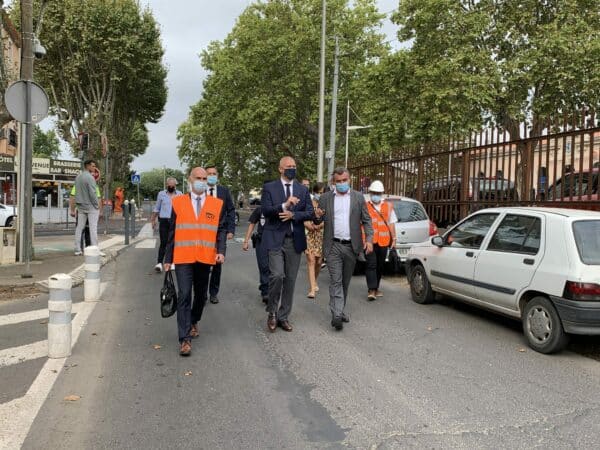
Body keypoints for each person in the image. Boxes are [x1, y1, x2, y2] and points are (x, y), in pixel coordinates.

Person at [163, 167, 227, 356]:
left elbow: (221, 230)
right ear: (190, 180)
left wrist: (221, 251)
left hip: (205, 257)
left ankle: (193, 320)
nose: (201, 181)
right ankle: (184, 339)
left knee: (201, 296)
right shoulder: (178, 202)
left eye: (204, 178)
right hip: (183, 257)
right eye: (198, 178)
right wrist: (168, 258)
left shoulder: (216, 204)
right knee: (184, 295)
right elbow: (171, 233)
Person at [315, 167, 373, 331]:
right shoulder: (325, 198)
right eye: (338, 181)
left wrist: (369, 239)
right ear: (333, 182)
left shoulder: (358, 197)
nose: (341, 184)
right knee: (336, 280)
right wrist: (317, 215)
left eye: (344, 180)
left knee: (345, 282)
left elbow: (367, 221)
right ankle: (337, 315)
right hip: (333, 245)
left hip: (352, 246)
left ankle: (339, 309)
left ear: (349, 180)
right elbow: (318, 220)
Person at [261, 156, 314, 333]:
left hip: (294, 239)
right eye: (288, 166)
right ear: (280, 169)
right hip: (275, 238)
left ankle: (283, 316)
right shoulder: (269, 187)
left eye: (294, 166)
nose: (292, 168)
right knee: (277, 275)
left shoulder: (302, 189)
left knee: (290, 280)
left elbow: (310, 213)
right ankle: (272, 312)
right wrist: (285, 205)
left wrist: (294, 216)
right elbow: (266, 210)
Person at [205, 165, 236, 304]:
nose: (212, 175)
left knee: (218, 262)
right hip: (204, 231)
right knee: (204, 263)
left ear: (217, 176)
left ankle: (213, 293)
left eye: (214, 173)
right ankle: (201, 293)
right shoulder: (200, 192)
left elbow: (231, 210)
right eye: (209, 173)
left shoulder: (224, 191)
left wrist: (231, 230)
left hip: (221, 230)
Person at [364, 180, 397, 301]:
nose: (376, 195)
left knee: (380, 265)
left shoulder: (388, 206)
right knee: (371, 264)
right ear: (370, 193)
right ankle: (371, 290)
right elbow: (360, 224)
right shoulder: (365, 206)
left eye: (378, 193)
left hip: (383, 241)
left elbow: (392, 223)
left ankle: (376, 288)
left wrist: (394, 238)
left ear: (382, 193)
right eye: (374, 192)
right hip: (369, 241)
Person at [151, 177, 182, 272]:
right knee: (164, 242)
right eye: (169, 185)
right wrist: (153, 220)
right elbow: (157, 208)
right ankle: (159, 263)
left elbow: (183, 209)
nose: (171, 186)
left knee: (174, 242)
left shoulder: (180, 194)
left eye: (173, 185)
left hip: (176, 221)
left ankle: (172, 262)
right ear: (166, 185)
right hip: (164, 221)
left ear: (175, 185)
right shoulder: (161, 194)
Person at [242, 205, 269, 304]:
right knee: (263, 266)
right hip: (261, 241)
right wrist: (246, 241)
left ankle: (268, 287)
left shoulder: (278, 207)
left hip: (274, 241)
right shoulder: (260, 209)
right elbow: (252, 224)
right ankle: (265, 291)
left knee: (273, 268)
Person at [73, 160, 100, 256]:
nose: (94, 168)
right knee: (93, 228)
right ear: (87, 166)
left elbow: (75, 192)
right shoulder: (90, 178)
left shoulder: (78, 177)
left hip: (80, 205)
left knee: (79, 228)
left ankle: (77, 249)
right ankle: (95, 249)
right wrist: (97, 205)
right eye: (93, 166)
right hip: (91, 206)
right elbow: (93, 193)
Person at [304, 182, 325, 298]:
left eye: (322, 193)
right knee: (311, 260)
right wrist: (308, 225)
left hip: (321, 235)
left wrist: (319, 226)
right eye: (318, 192)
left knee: (318, 262)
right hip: (309, 235)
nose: (320, 195)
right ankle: (312, 289)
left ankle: (314, 280)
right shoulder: (308, 204)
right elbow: (304, 216)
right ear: (314, 192)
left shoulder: (326, 205)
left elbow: (328, 219)